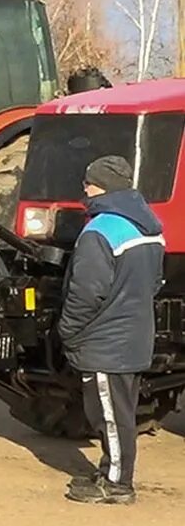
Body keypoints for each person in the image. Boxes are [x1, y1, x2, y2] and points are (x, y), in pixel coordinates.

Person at [56, 155, 164, 505]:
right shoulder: (149, 228)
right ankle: (111, 473)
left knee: (110, 418)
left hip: (106, 342)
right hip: (133, 335)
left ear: (98, 186)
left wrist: (68, 330)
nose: (84, 188)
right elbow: (154, 284)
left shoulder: (99, 230)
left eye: (88, 182)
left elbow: (86, 291)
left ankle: (117, 484)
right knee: (118, 412)